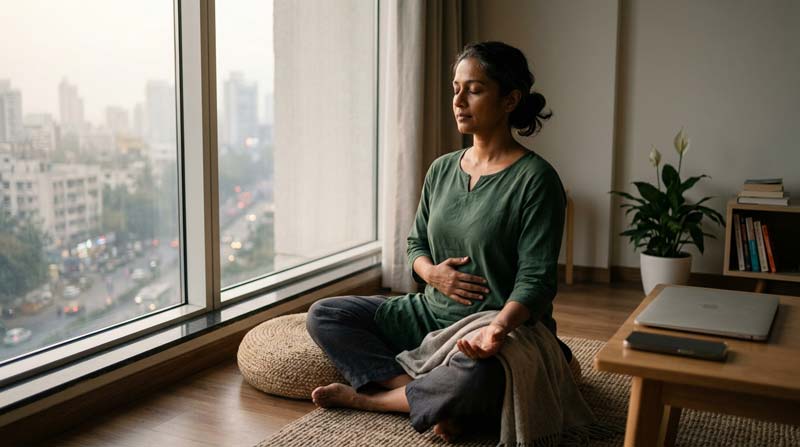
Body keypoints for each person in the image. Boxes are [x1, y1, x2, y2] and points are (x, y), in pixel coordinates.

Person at [306, 41, 572, 443]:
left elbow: (536, 280)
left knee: (480, 373)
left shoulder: (536, 180)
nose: (459, 100)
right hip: (429, 314)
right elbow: (415, 244)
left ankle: (374, 400)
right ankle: (420, 395)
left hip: (496, 325)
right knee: (325, 315)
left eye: (475, 89)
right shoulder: (442, 169)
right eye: (455, 88)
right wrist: (431, 273)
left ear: (510, 100)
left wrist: (497, 330)